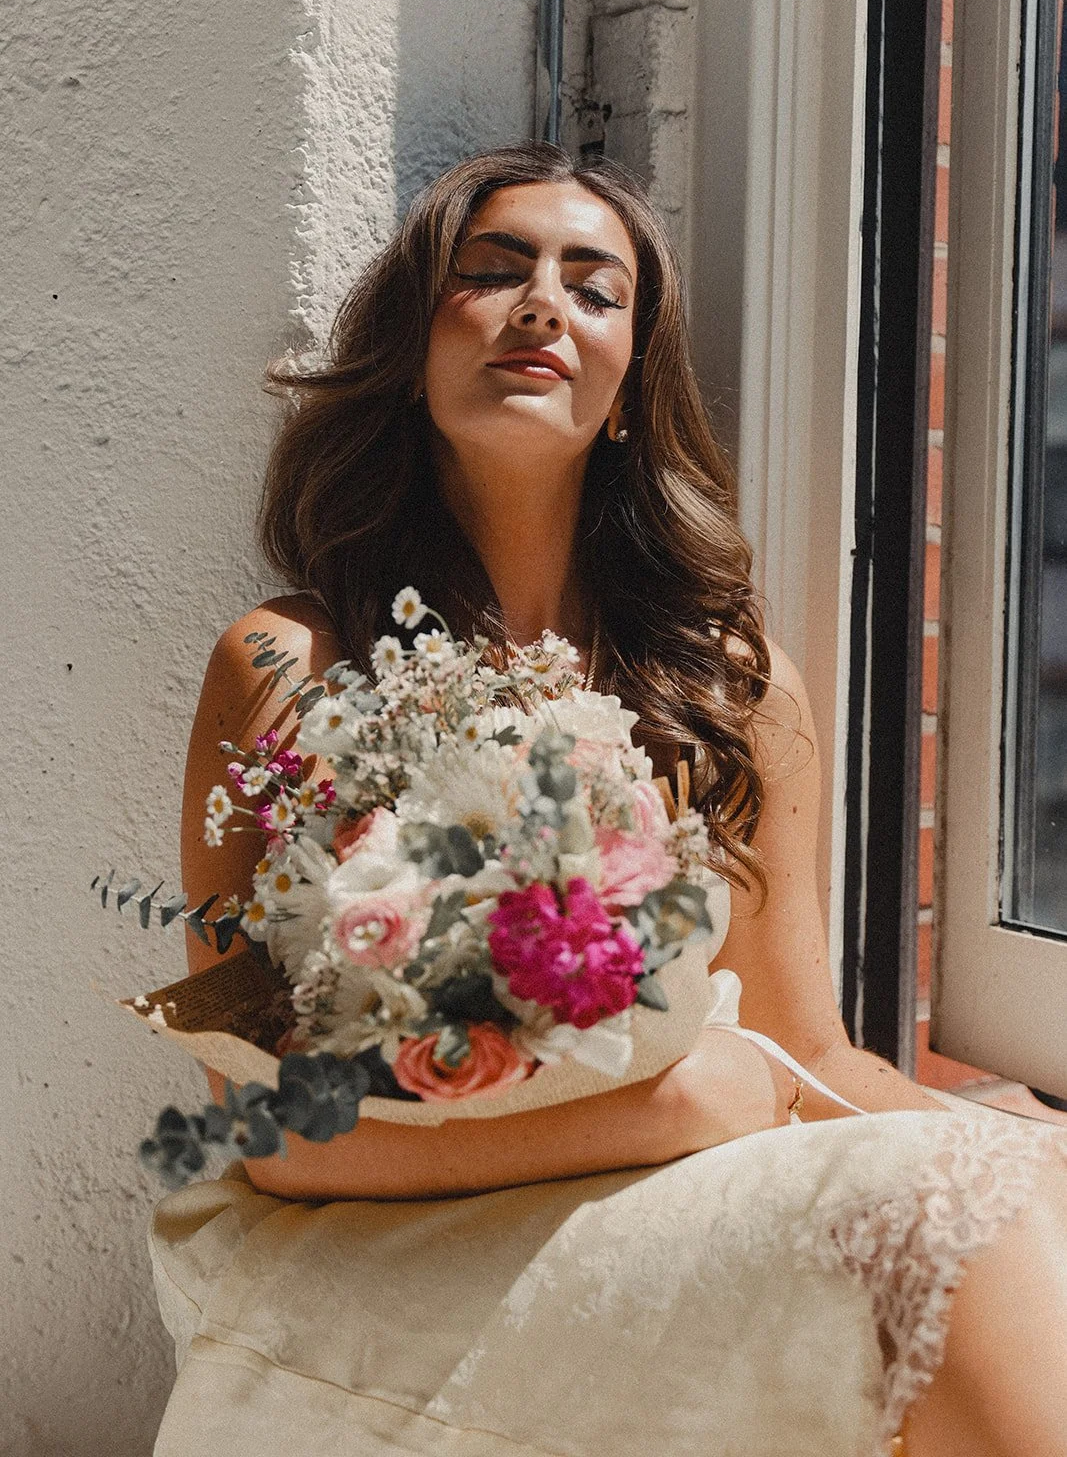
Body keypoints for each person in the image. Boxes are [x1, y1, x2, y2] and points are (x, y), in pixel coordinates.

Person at [150, 143, 1067, 1457]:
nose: (543, 306)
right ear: (412, 351)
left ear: (630, 385)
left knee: (994, 1190)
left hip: (649, 1202)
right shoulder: (291, 667)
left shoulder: (728, 689)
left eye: (594, 289)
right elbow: (271, 1129)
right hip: (356, 1240)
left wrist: (1018, 1149)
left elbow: (806, 1059)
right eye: (493, 272)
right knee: (948, 1209)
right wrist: (671, 1107)